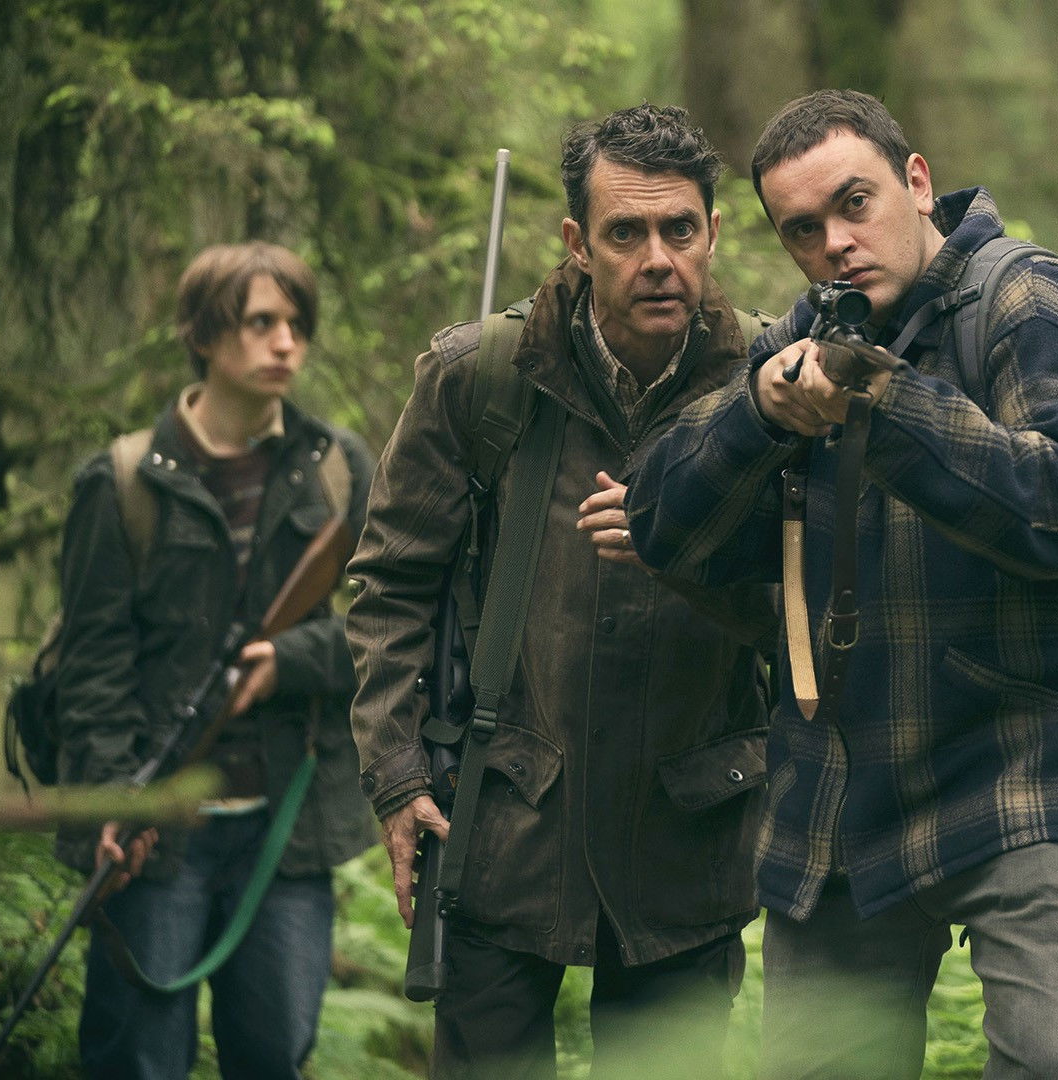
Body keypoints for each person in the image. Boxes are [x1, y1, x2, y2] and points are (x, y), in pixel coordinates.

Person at [625, 89, 1058, 1080]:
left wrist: (882, 404)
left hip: (1034, 767)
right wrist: (759, 410)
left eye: (856, 204)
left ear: (917, 183)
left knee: (1046, 1065)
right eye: (803, 230)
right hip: (846, 791)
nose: (836, 244)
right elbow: (661, 524)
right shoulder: (799, 339)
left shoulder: (1030, 301)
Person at [345, 104, 771, 1080]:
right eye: (626, 233)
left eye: (680, 229)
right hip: (504, 824)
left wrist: (689, 548)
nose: (658, 259)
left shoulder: (767, 381)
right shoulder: (481, 377)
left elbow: (805, 604)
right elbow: (390, 585)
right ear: (578, 243)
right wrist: (399, 778)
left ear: (714, 232)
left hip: (690, 833)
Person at [54, 241, 377, 1079]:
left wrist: (293, 659)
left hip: (285, 829)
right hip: (159, 827)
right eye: (260, 323)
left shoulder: (339, 469)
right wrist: (114, 798)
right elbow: (92, 667)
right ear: (202, 335)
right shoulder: (122, 481)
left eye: (296, 324)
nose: (286, 344)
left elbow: (398, 623)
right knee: (138, 1060)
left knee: (274, 1056)